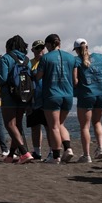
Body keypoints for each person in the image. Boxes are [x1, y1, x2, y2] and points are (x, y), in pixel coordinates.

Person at [36, 33, 76, 163]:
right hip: (68, 95)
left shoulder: (46, 58)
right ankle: (68, 148)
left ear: (48, 44)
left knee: (53, 127)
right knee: (60, 124)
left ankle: (56, 156)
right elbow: (75, 80)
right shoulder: (71, 58)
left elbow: (38, 76)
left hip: (52, 95)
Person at [0, 35, 35, 164]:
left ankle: (24, 153)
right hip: (24, 95)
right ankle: (11, 155)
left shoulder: (6, 59)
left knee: (10, 125)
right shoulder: (27, 60)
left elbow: (3, 79)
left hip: (9, 95)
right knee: (17, 125)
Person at [72, 38, 102, 162]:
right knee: (97, 122)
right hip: (101, 94)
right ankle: (101, 147)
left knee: (85, 126)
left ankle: (86, 155)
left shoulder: (76, 61)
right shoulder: (100, 57)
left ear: (77, 50)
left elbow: (75, 81)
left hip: (86, 95)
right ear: (87, 47)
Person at [27, 39, 47, 159]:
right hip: (33, 99)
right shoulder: (29, 63)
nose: (40, 50)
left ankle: (53, 151)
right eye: (37, 48)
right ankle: (37, 151)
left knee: (49, 127)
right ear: (33, 50)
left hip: (46, 100)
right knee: (35, 127)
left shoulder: (48, 61)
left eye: (41, 48)